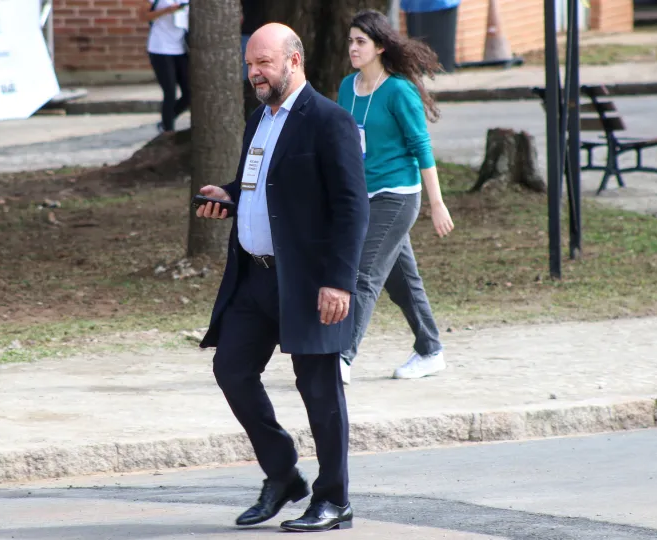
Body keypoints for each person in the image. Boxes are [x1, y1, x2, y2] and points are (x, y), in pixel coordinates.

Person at [195, 23, 369, 533]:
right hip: (254, 278)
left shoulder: (329, 121)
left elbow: (352, 207)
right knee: (231, 370)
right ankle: (284, 475)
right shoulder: (259, 119)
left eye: (263, 63)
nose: (254, 73)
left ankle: (334, 500)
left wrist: (339, 281)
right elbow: (261, 184)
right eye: (249, 64)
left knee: (319, 390)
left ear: (294, 61)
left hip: (311, 282)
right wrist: (229, 196)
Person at [336, 10, 455, 384]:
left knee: (364, 273)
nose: (353, 47)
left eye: (361, 41)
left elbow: (421, 147)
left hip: (397, 195)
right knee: (402, 280)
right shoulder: (347, 88)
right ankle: (431, 350)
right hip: (364, 196)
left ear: (380, 47)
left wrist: (437, 203)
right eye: (351, 41)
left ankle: (341, 357)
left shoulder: (399, 90)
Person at [139, 0, 191, 133]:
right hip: (160, 48)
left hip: (181, 48)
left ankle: (166, 121)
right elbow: (143, 16)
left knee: (189, 92)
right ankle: (168, 131)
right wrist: (166, 11)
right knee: (170, 92)